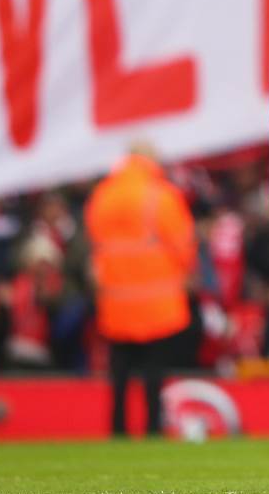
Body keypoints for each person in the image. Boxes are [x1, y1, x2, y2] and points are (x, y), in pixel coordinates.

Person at [84, 144, 196, 436]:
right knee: (153, 371)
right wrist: (186, 272)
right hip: (157, 299)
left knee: (119, 371)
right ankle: (153, 428)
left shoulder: (102, 195)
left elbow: (94, 242)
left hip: (115, 299)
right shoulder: (162, 195)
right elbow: (183, 243)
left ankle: (118, 428)